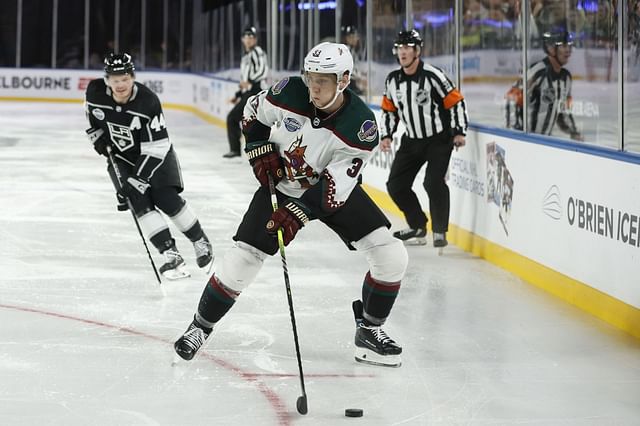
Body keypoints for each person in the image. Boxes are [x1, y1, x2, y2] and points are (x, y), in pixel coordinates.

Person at [174, 42, 408, 368]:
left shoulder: (361, 125)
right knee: (244, 259)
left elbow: (335, 187)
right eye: (310, 76)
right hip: (282, 185)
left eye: (323, 79)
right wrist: (258, 147)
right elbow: (251, 113)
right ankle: (200, 327)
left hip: (327, 190)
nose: (313, 85)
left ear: (343, 79)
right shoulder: (287, 92)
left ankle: (369, 331)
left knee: (390, 253)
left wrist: (298, 213)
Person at [85, 53, 213, 279]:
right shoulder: (94, 92)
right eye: (115, 80)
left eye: (124, 78)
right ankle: (171, 254)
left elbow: (157, 147)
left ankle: (200, 241)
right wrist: (98, 140)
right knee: (139, 203)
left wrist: (138, 179)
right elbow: (92, 118)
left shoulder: (148, 101)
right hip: (122, 158)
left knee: (166, 199)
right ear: (107, 80)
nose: (120, 84)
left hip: (156, 156)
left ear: (132, 77)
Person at [380, 30, 469, 248]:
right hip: (412, 140)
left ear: (417, 51)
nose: (403, 52)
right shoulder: (393, 80)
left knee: (432, 182)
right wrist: (387, 135)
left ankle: (439, 231)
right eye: (399, 47)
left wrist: (458, 131)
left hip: (439, 140)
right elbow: (389, 110)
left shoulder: (432, 75)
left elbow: (455, 101)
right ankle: (418, 226)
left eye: (407, 47)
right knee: (396, 185)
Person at [505, 29, 583, 140]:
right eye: (564, 46)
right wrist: (514, 133)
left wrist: (573, 131)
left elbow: (563, 112)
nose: (568, 50)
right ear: (551, 48)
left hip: (545, 143)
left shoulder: (566, 78)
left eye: (570, 46)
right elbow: (512, 98)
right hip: (526, 141)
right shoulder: (537, 71)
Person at [223, 26, 269, 158]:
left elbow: (262, 71)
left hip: (256, 92)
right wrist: (238, 94)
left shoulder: (257, 52)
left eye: (251, 37)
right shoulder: (246, 56)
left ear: (255, 39)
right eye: (246, 37)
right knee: (245, 121)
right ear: (242, 39)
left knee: (233, 118)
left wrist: (249, 81)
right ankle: (241, 149)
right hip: (249, 93)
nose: (248, 40)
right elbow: (244, 81)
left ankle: (237, 150)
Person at [341, 25, 367, 95]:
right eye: (354, 36)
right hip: (348, 85)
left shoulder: (351, 50)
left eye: (356, 36)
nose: (356, 39)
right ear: (348, 38)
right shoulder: (346, 50)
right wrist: (360, 77)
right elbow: (348, 69)